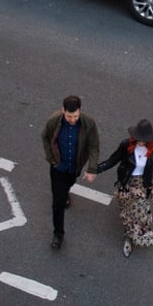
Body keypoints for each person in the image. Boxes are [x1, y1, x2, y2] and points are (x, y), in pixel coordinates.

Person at [97, 119, 153, 258]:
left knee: (140, 213)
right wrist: (96, 169)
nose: (140, 142)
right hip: (127, 181)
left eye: (143, 140)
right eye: (138, 139)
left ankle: (133, 236)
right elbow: (113, 159)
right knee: (127, 210)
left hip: (143, 183)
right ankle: (129, 234)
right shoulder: (126, 144)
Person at [41, 95, 99, 249]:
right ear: (63, 110)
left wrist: (92, 168)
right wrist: (51, 159)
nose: (72, 119)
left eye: (75, 116)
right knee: (57, 203)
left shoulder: (88, 123)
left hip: (75, 166)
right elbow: (45, 137)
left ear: (80, 111)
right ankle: (58, 233)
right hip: (58, 167)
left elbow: (94, 145)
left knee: (69, 183)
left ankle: (66, 191)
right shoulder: (54, 120)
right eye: (69, 116)